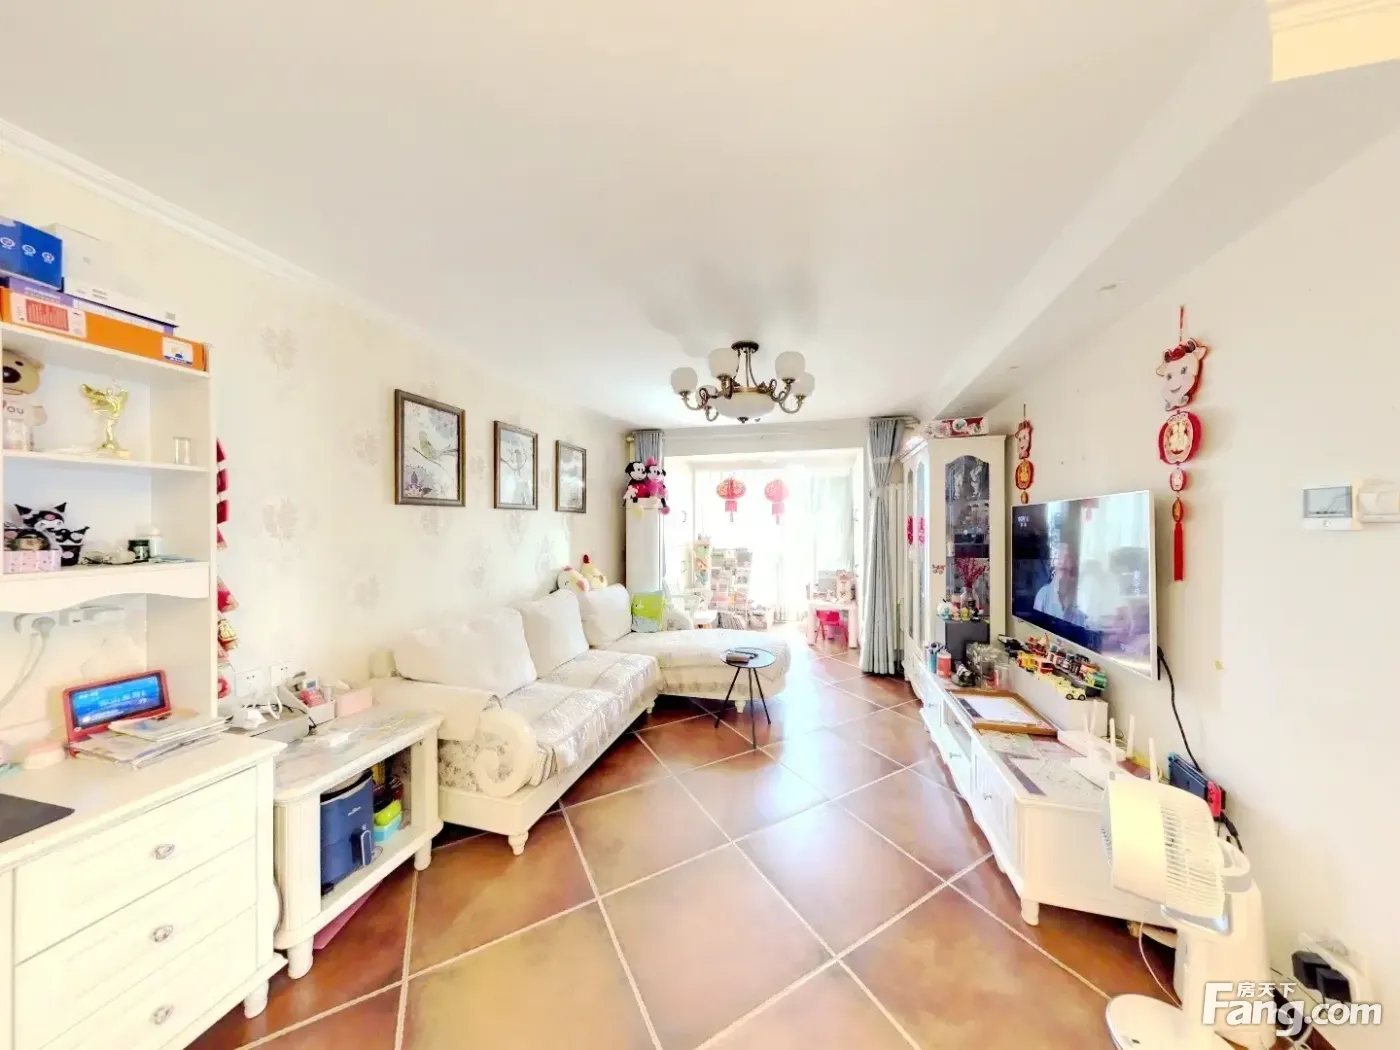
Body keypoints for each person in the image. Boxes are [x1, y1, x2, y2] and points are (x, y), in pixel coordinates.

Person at [1033, 540, 1086, 627]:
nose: (1068, 577)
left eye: (1072, 572)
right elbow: (1036, 629)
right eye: (1062, 569)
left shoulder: (1080, 599)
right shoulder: (1043, 595)